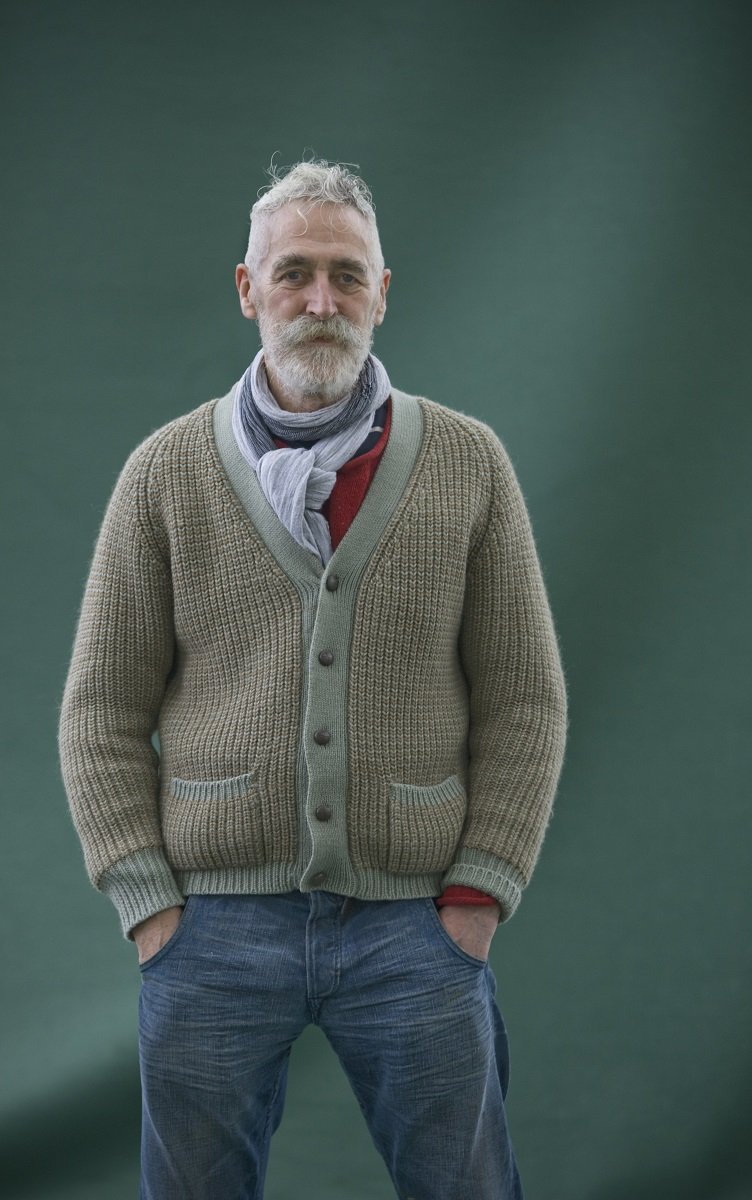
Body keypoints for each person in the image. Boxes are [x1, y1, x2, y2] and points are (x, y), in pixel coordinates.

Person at [59, 158, 567, 1200]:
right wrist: (149, 903)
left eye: (346, 274)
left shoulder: (468, 465)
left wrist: (475, 896)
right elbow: (101, 710)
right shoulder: (164, 472)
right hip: (210, 928)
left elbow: (524, 699)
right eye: (293, 273)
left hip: (414, 925)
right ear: (247, 290)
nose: (320, 300)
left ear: (384, 290)